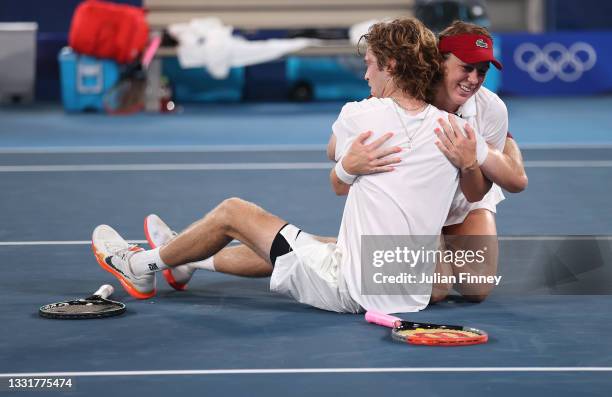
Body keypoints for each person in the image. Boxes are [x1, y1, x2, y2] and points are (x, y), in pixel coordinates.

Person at [92, 17, 491, 314]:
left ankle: (139, 265)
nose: (366, 72)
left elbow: (335, 165)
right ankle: (186, 260)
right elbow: (479, 191)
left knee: (235, 212)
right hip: (411, 288)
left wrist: (348, 166)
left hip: (351, 287)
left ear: (390, 65)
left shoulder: (361, 115)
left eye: (371, 63)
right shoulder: (455, 129)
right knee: (311, 243)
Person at [328, 21, 528, 303]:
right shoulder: (408, 92)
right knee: (434, 289)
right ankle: (346, 249)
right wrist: (352, 157)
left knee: (477, 287)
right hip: (419, 205)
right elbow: (337, 146)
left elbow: (487, 189)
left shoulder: (491, 108)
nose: (473, 79)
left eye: (481, 71)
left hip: (464, 204)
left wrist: (473, 160)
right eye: (466, 67)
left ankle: (356, 247)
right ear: (440, 62)